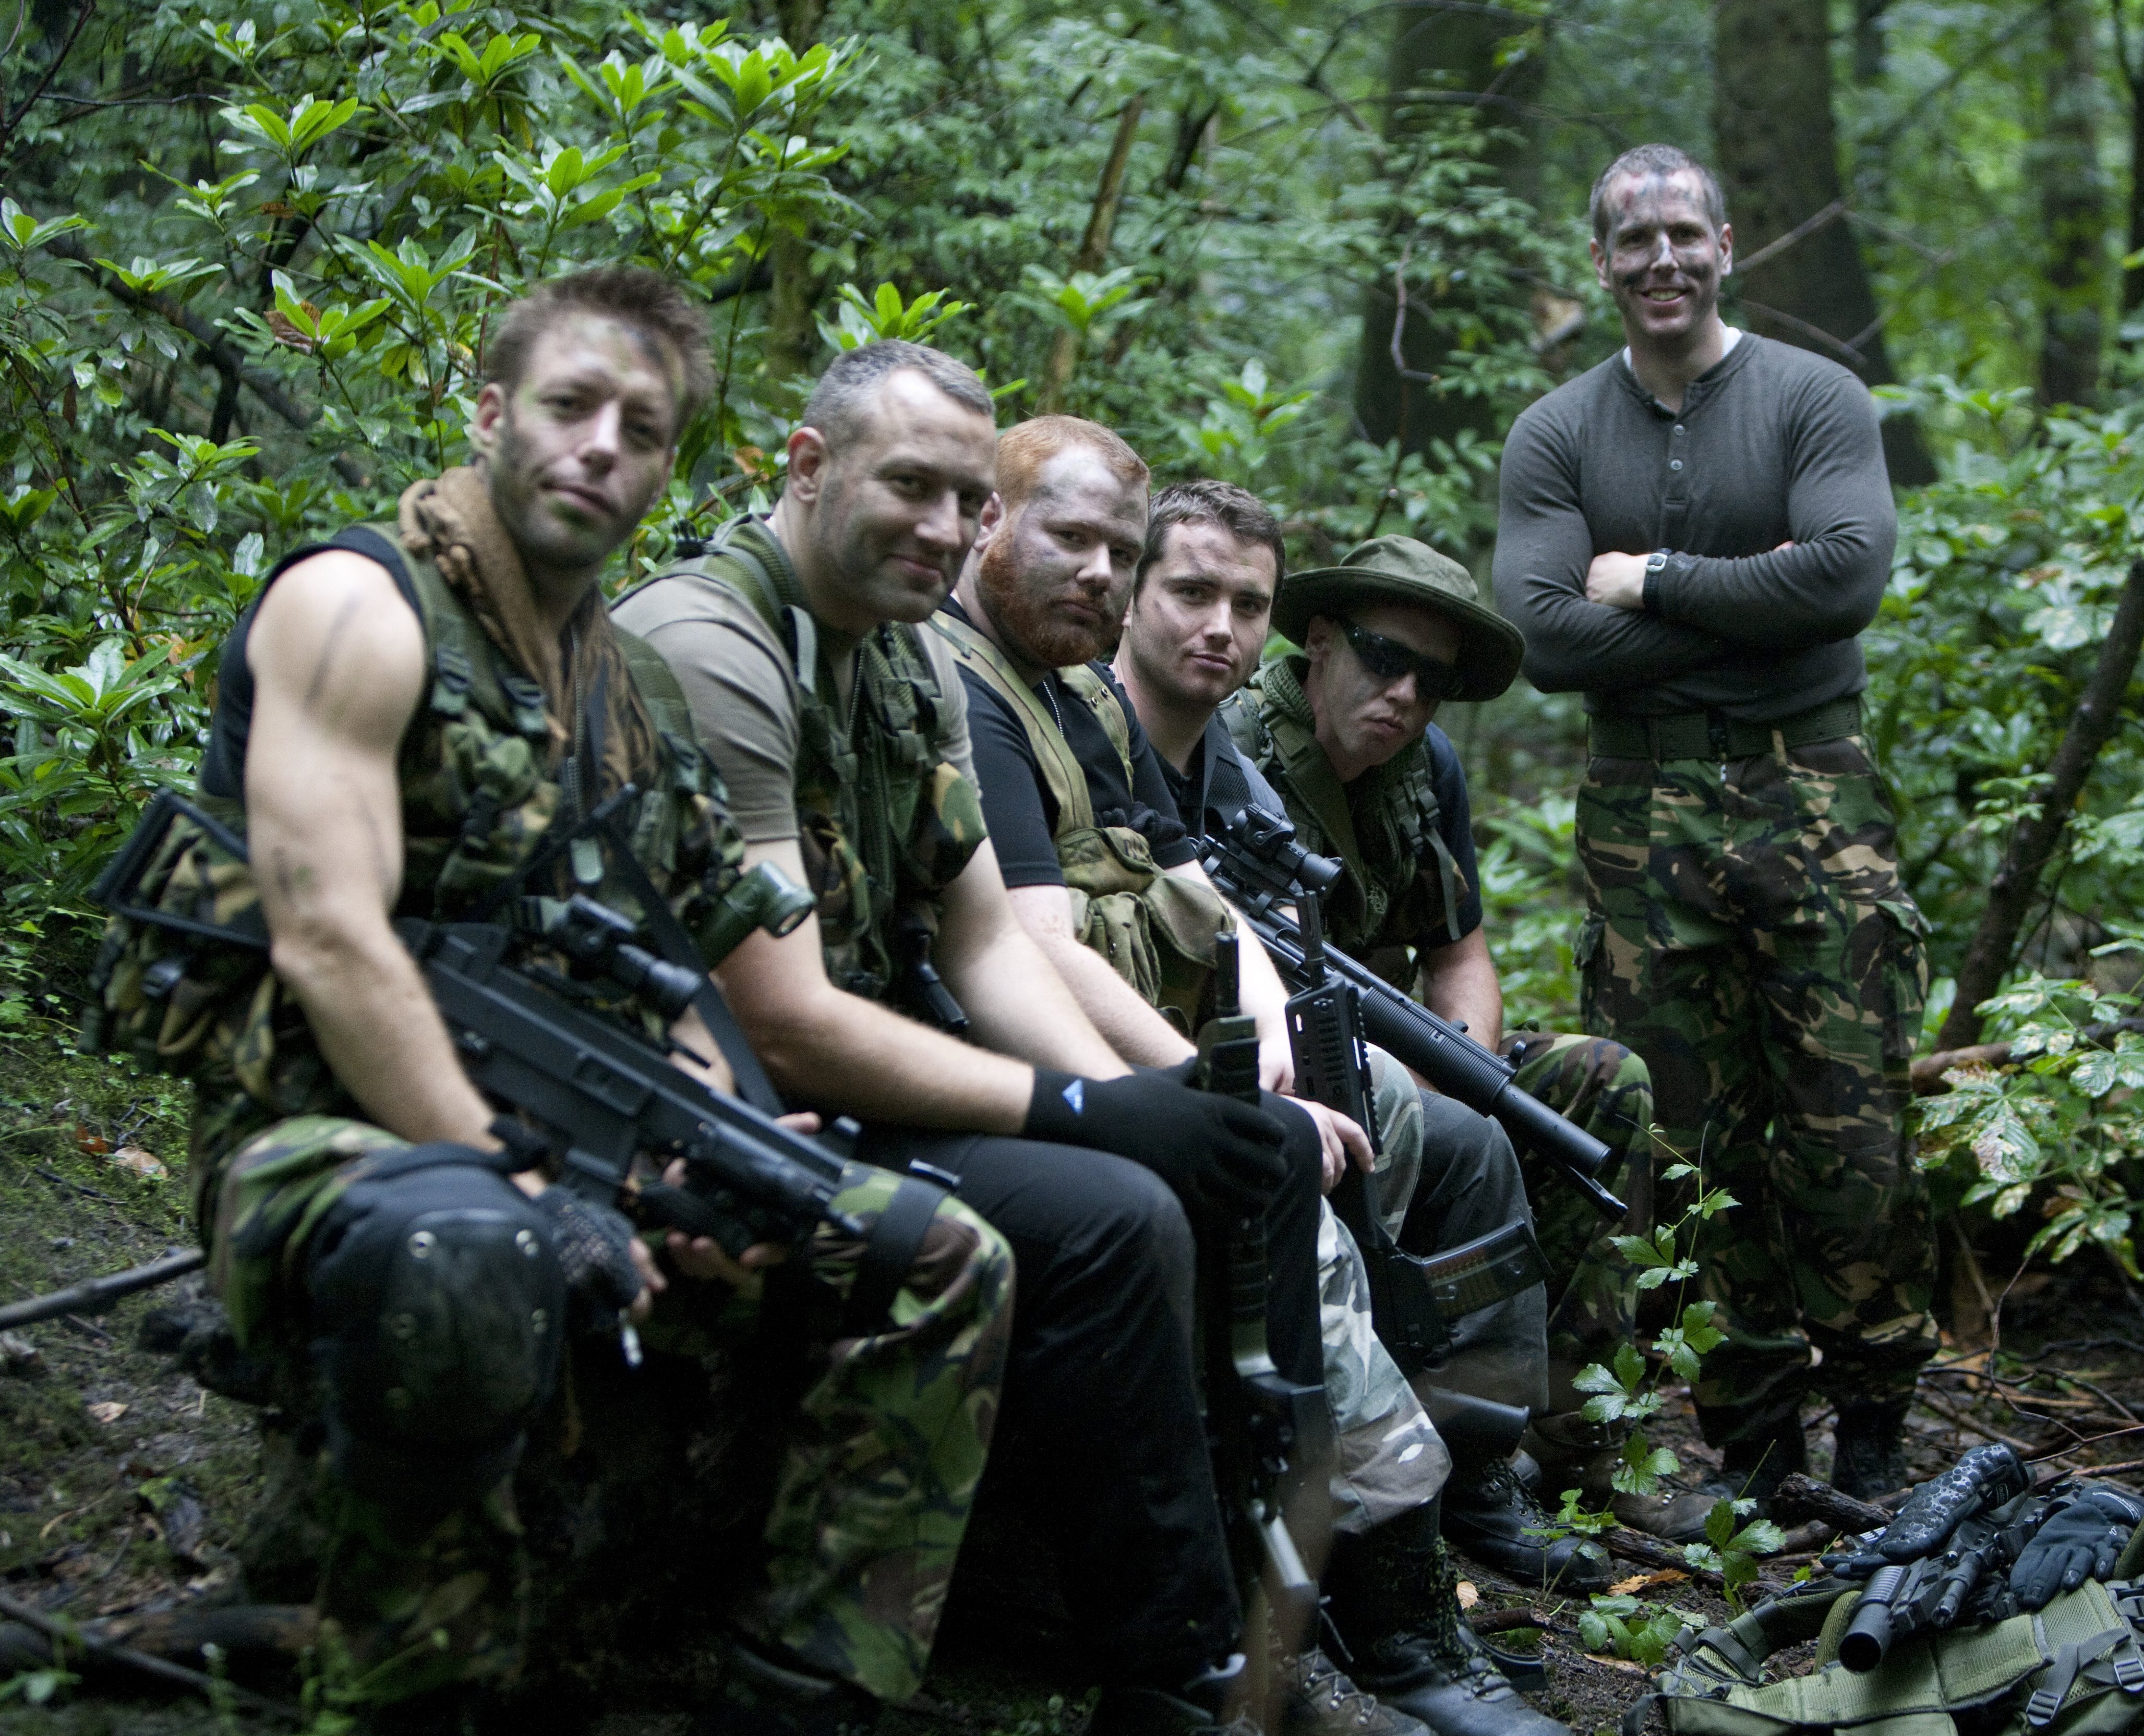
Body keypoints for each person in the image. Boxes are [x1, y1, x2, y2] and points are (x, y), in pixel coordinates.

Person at [109, 269, 1014, 1734]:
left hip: (561, 1137)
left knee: (936, 1250)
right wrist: (523, 1176)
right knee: (468, 1240)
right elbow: (332, 936)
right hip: (319, 1150)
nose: (602, 445)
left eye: (641, 427)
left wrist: (711, 1162)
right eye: (569, 405)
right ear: (489, 416)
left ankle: (805, 1686)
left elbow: (699, 965)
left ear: (668, 467)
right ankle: (419, 1689)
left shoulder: (619, 687)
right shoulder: (358, 607)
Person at [610, 348, 1323, 1736]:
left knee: (1192, 1176)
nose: (945, 528)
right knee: (1107, 1210)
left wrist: (1153, 1096)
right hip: (700, 1100)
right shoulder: (715, 648)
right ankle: (1169, 1666)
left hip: (835, 1077)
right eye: (910, 489)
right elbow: (784, 1016)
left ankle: (1217, 1633)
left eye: (960, 497)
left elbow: (983, 941)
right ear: (806, 469)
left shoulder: (899, 656)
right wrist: (1079, 1110)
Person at [939, 442, 1564, 1736]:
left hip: (1143, 1043)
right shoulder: (975, 692)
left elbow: (1193, 888)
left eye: (1121, 555)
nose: (1108, 582)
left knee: (1424, 1131)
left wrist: (1266, 1020)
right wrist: (1178, 1092)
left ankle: (1454, 1497)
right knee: (1278, 1191)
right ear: (990, 529)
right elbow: (1026, 946)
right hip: (1011, 1069)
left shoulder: (1076, 706)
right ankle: (1386, 1614)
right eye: (1104, 556)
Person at [1492, 142, 1938, 1515]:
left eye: (1684, 234)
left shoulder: (1814, 398)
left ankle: (1870, 1424)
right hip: (1641, 812)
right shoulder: (1559, 433)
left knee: (1846, 1117)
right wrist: (1746, 626)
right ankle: (1749, 1445)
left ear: (1727, 243)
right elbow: (1546, 639)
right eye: (1635, 243)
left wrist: (1655, 583)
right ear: (1601, 263)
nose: (1663, 261)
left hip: (1817, 792)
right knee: (1684, 1136)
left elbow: (1846, 578)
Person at [1115, 486, 1620, 1592]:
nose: (1404, 695)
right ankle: (1383, 1506)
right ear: (1323, 644)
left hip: (1365, 1031)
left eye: (1431, 680)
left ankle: (1528, 1450)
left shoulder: (1420, 767)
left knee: (1590, 1088)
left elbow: (1459, 953)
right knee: (1439, 1140)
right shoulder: (1225, 736)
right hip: (1255, 1046)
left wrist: (1476, 1075)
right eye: (1385, 660)